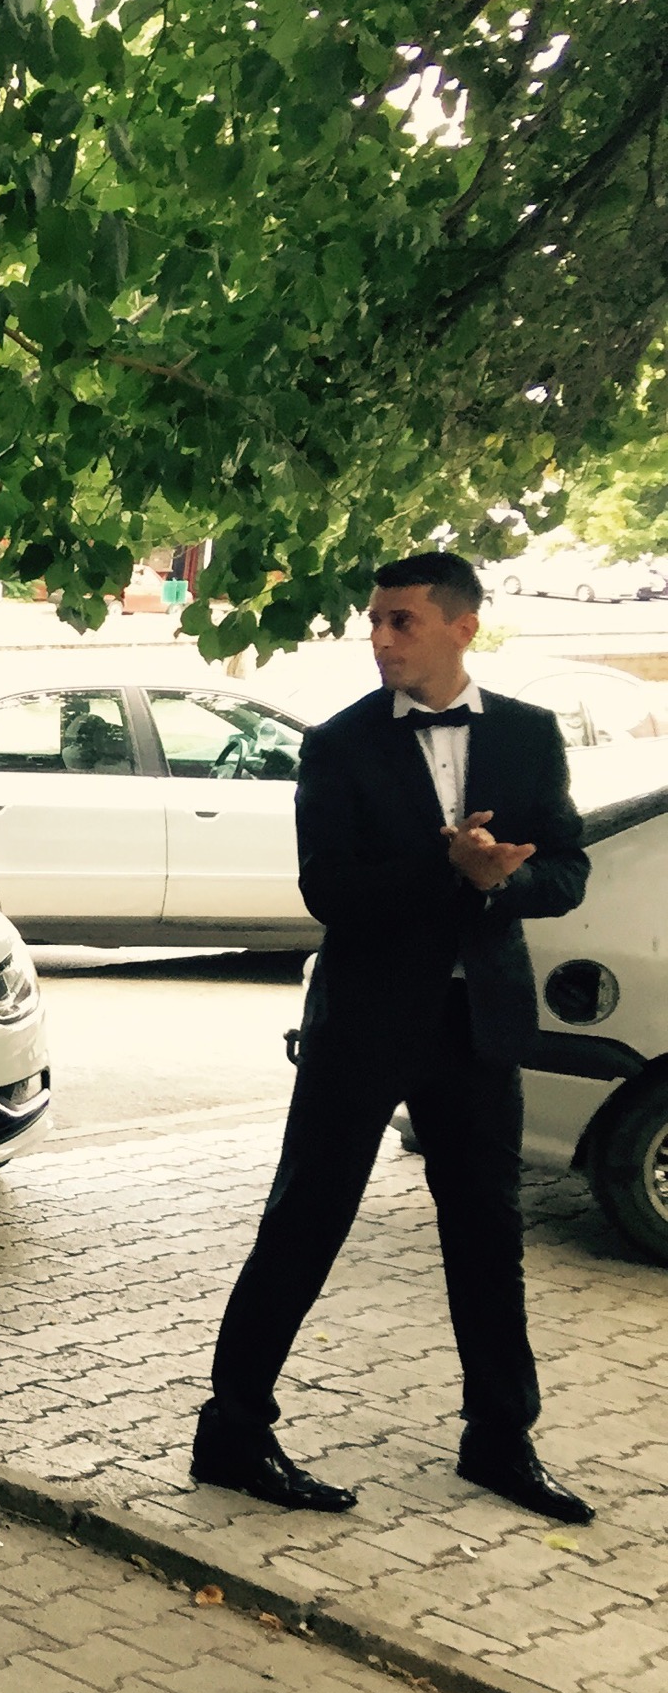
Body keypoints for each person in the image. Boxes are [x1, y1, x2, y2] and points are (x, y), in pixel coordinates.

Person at [192, 553, 593, 1522]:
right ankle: (233, 1434)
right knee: (304, 1220)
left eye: (401, 621)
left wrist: (509, 880)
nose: (378, 638)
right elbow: (327, 891)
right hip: (365, 1020)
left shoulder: (532, 737)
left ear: (462, 626)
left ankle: (501, 1441)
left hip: (477, 1019)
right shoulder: (338, 746)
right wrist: (451, 869)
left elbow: (569, 872)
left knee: (487, 1234)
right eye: (373, 621)